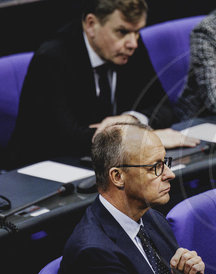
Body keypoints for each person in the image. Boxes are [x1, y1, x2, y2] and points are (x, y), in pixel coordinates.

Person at [59, 122, 216, 274]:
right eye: (155, 167)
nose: (169, 174)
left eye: (165, 162)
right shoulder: (93, 253)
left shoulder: (152, 219)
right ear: (118, 177)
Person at [6, 0, 198, 170]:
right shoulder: (52, 59)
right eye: (122, 31)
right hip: (45, 170)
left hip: (106, 165)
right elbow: (65, 138)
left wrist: (132, 119)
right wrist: (138, 137)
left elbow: (163, 107)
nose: (133, 43)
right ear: (91, 25)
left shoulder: (129, 49)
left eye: (137, 31)